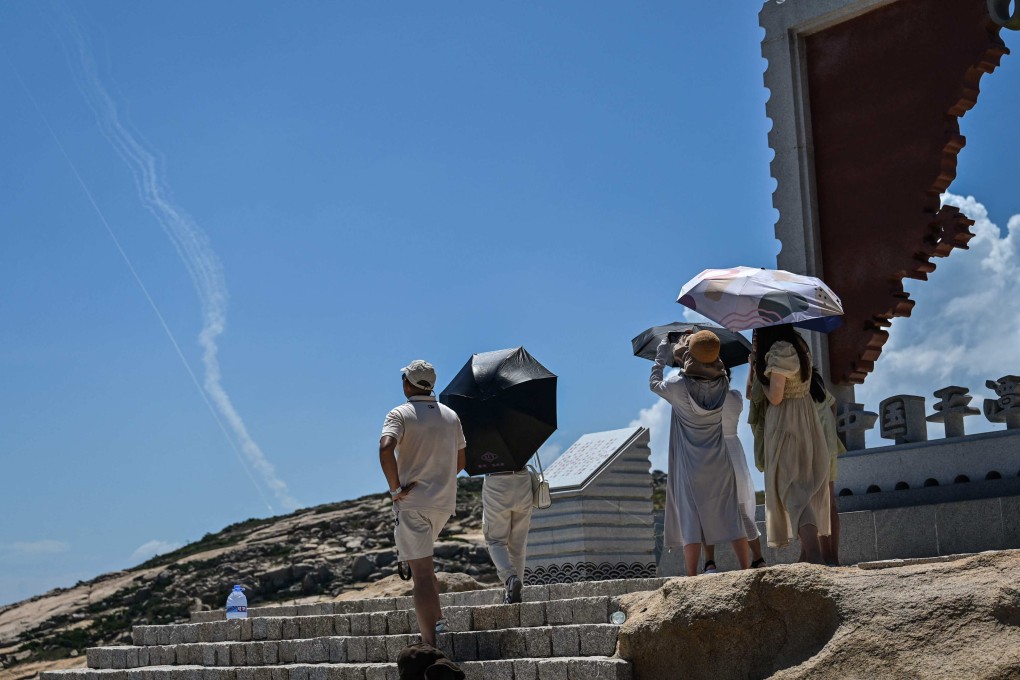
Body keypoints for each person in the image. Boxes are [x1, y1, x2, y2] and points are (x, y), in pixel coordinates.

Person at [650, 330, 751, 577]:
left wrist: (662, 355)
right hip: (720, 461)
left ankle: (692, 575)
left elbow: (654, 383)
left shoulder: (677, 385)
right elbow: (704, 369)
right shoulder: (723, 384)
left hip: (690, 464)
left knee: (691, 519)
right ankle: (746, 568)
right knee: (730, 514)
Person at [380, 360, 466, 646]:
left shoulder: (400, 413)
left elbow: (385, 448)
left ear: (407, 383)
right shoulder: (451, 416)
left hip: (413, 502)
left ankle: (430, 641)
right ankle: (435, 622)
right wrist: (438, 480)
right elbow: (461, 460)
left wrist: (395, 490)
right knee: (425, 569)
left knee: (423, 576)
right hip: (442, 503)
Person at [754, 325, 831, 564]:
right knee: (802, 487)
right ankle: (807, 556)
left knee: (791, 489)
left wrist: (761, 377)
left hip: (786, 421)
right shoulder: (799, 345)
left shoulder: (780, 350)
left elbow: (776, 397)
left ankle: (814, 553)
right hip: (805, 418)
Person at [809, 370, 846, 566]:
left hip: (815, 450)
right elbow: (832, 403)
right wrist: (830, 429)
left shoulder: (798, 386)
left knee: (819, 506)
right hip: (829, 445)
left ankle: (825, 557)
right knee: (830, 504)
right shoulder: (816, 381)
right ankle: (833, 557)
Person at [482, 465, 533, 604]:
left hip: (496, 480)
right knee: (518, 546)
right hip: (522, 479)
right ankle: (515, 594)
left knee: (495, 541)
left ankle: (510, 578)